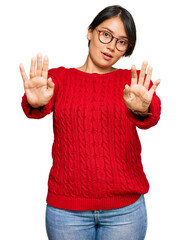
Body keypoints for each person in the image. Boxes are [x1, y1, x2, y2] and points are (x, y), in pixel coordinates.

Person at [20, 5, 161, 240]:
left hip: (125, 212)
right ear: (90, 32)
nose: (111, 46)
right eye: (106, 34)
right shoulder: (59, 78)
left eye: (122, 42)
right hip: (66, 212)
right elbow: (35, 108)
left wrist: (142, 109)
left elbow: (151, 114)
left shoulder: (131, 82)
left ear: (127, 48)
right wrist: (35, 102)